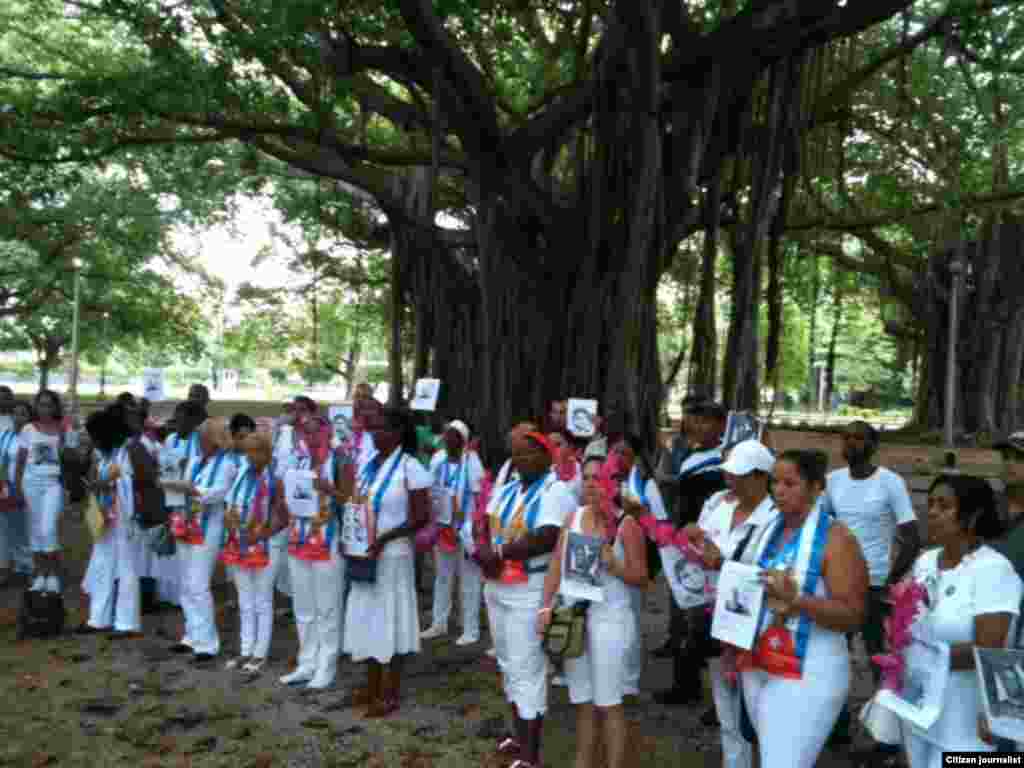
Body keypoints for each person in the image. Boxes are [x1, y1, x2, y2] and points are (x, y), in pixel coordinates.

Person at [738, 449, 868, 768]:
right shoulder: (768, 528)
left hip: (811, 668)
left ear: (815, 487)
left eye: (789, 483)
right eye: (774, 482)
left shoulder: (837, 539)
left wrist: (796, 600)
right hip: (761, 660)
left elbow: (853, 616)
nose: (778, 491)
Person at [898, 475, 1021, 768]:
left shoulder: (993, 570)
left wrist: (920, 654)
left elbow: (987, 650)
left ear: (973, 515)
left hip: (966, 720)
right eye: (930, 504)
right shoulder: (925, 561)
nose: (933, 512)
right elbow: (907, 625)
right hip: (918, 709)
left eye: (945, 505)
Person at [539, 455, 648, 768]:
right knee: (583, 699)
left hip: (611, 621)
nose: (590, 484)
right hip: (574, 618)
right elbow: (556, 565)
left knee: (609, 702)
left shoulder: (626, 525)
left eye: (598, 478)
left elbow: (642, 578)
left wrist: (614, 565)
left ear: (612, 484)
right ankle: (582, 762)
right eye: (585, 477)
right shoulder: (573, 516)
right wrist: (545, 606)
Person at [479, 428, 576, 768]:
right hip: (498, 584)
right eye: (516, 454)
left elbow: (548, 536)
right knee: (507, 663)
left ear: (547, 456)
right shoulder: (507, 489)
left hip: (529, 588)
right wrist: (481, 548)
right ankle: (518, 735)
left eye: (528, 453)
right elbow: (485, 521)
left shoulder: (556, 491)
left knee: (527, 668)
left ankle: (531, 756)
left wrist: (500, 552)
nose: (521, 460)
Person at [826, 420, 921, 751]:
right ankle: (834, 726)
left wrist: (890, 581)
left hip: (874, 585)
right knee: (832, 656)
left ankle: (885, 736)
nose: (851, 443)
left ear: (873, 445)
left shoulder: (890, 483)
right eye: (846, 437)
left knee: (880, 660)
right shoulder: (832, 482)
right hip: (837, 585)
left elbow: (911, 537)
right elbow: (821, 526)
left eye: (859, 438)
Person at [684, 439, 779, 768]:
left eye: (739, 475)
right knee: (725, 706)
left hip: (757, 629)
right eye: (729, 474)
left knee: (757, 710)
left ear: (760, 477)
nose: (731, 481)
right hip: (718, 619)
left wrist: (720, 563)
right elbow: (704, 546)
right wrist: (694, 540)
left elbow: (773, 572)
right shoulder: (722, 508)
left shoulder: (776, 518)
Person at [343, 406, 431, 717]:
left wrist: (385, 538)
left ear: (397, 433)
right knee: (365, 618)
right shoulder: (367, 464)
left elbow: (421, 517)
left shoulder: (411, 468)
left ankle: (390, 691)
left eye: (381, 428)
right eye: (373, 428)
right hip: (364, 555)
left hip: (392, 556)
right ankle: (370, 684)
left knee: (390, 620)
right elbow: (357, 504)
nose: (375, 433)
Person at [656, 399, 727, 706]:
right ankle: (687, 684)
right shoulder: (690, 456)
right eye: (694, 421)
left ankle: (718, 695)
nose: (698, 427)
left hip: (714, 542)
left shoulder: (727, 458)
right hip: (686, 540)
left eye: (706, 421)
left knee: (712, 619)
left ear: (721, 424)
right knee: (689, 611)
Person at [278, 403, 345, 691]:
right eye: (306, 431)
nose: (311, 435)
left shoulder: (340, 459)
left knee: (327, 606)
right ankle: (306, 662)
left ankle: (327, 664)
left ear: (327, 431)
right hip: (299, 538)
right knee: (303, 606)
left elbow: (352, 499)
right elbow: (286, 498)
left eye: (317, 430)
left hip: (328, 541)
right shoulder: (297, 461)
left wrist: (327, 489)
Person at [162, 417, 239, 664]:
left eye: (204, 438)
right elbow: (182, 488)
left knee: (198, 583)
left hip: (208, 528)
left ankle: (207, 643)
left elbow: (218, 493)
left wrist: (191, 490)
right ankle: (192, 634)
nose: (199, 441)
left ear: (214, 440)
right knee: (185, 582)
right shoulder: (194, 461)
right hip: (186, 522)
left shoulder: (227, 464)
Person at [222, 432, 289, 676]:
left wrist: (261, 535)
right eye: (247, 451)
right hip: (239, 542)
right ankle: (245, 648)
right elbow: (230, 505)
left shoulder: (275, 480)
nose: (250, 457)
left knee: (262, 600)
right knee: (245, 600)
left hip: (266, 545)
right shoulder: (241, 474)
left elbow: (283, 518)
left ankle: (260, 652)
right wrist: (229, 521)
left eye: (255, 451)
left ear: (267, 453)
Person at [79, 403, 145, 637]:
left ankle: (126, 623)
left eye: (94, 436)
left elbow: (135, 483)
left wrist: (109, 482)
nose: (92, 441)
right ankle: (98, 618)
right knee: (102, 565)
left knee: (127, 569)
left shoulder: (128, 451)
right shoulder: (105, 454)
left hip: (126, 517)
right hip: (107, 517)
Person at [422, 420, 486, 644]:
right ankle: (439, 623)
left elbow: (479, 497)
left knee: (469, 579)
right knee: (442, 577)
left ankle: (471, 629)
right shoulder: (438, 459)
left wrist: (476, 528)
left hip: (465, 528)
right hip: (442, 526)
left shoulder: (472, 461)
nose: (449, 439)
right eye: (447, 435)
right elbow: (431, 490)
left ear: (463, 441)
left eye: (455, 436)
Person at [613, 433, 665, 697]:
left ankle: (629, 679)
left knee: (630, 616)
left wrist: (638, 515)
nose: (618, 457)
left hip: (635, 551)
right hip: (610, 550)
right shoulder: (606, 480)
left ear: (635, 455)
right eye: (615, 452)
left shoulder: (645, 484)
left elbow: (660, 524)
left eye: (624, 452)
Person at [16, 389, 68, 594]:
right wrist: (18, 487)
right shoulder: (28, 429)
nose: (44, 408)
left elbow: (67, 460)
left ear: (55, 407)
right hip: (30, 484)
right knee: (35, 531)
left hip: (52, 484)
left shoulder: (61, 429)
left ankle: (53, 574)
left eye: (48, 404)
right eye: (41, 404)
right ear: (35, 407)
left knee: (49, 529)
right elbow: (20, 461)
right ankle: (40, 574)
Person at [156, 400, 207, 608]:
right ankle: (173, 593)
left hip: (193, 500)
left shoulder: (200, 441)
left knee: (192, 547)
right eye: (176, 417)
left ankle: (192, 592)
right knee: (177, 545)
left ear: (195, 421)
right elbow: (165, 463)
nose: (177, 422)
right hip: (174, 496)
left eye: (182, 418)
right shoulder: (171, 439)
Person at [0, 400, 32, 584]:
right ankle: (4, 567)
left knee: (23, 529)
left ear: (29, 417)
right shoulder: (6, 436)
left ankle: (25, 568)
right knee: (4, 529)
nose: (18, 417)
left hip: (28, 488)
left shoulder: (33, 438)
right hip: (6, 487)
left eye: (23, 413)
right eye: (15, 413)